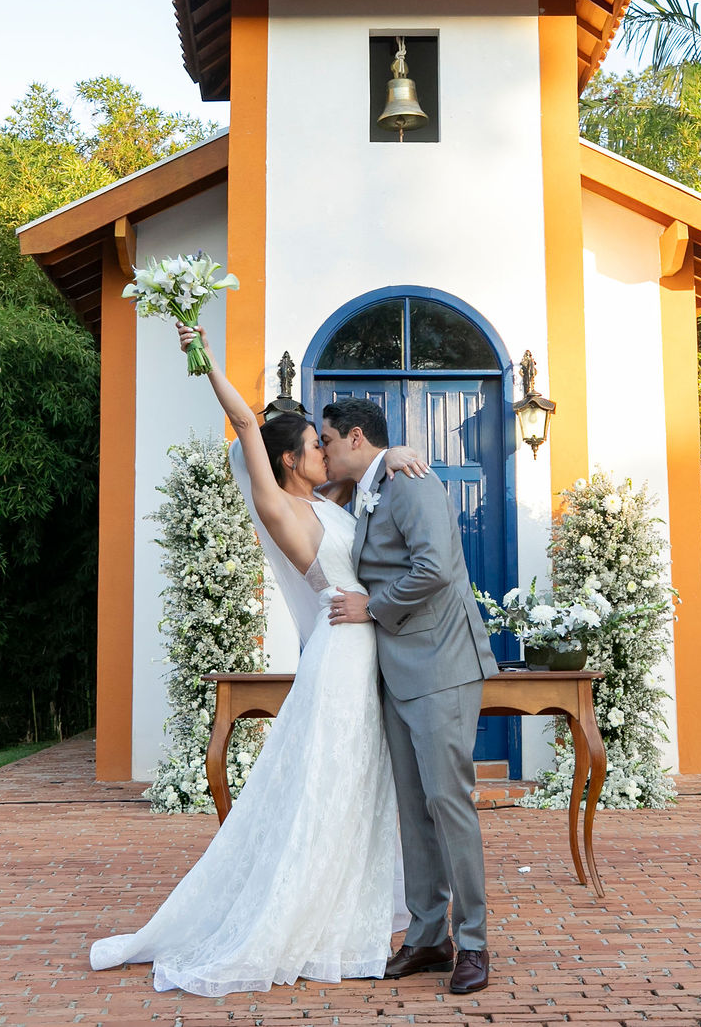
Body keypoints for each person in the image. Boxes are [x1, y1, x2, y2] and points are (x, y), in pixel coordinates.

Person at [89, 324, 427, 997]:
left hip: (367, 651)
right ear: (288, 461)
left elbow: (369, 483)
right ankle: (294, 918)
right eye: (313, 446)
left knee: (357, 785)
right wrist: (203, 351)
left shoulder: (328, 502)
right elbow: (246, 418)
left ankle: (343, 915)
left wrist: (395, 455)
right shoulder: (280, 510)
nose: (324, 453)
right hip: (340, 654)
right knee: (323, 787)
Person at [322, 394, 502, 995]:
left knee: (450, 803)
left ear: (352, 438)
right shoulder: (373, 483)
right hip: (396, 670)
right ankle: (428, 935)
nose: (321, 452)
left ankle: (472, 941)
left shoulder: (412, 483)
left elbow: (435, 570)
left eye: (326, 441)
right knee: (413, 807)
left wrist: (369, 606)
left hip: (442, 664)